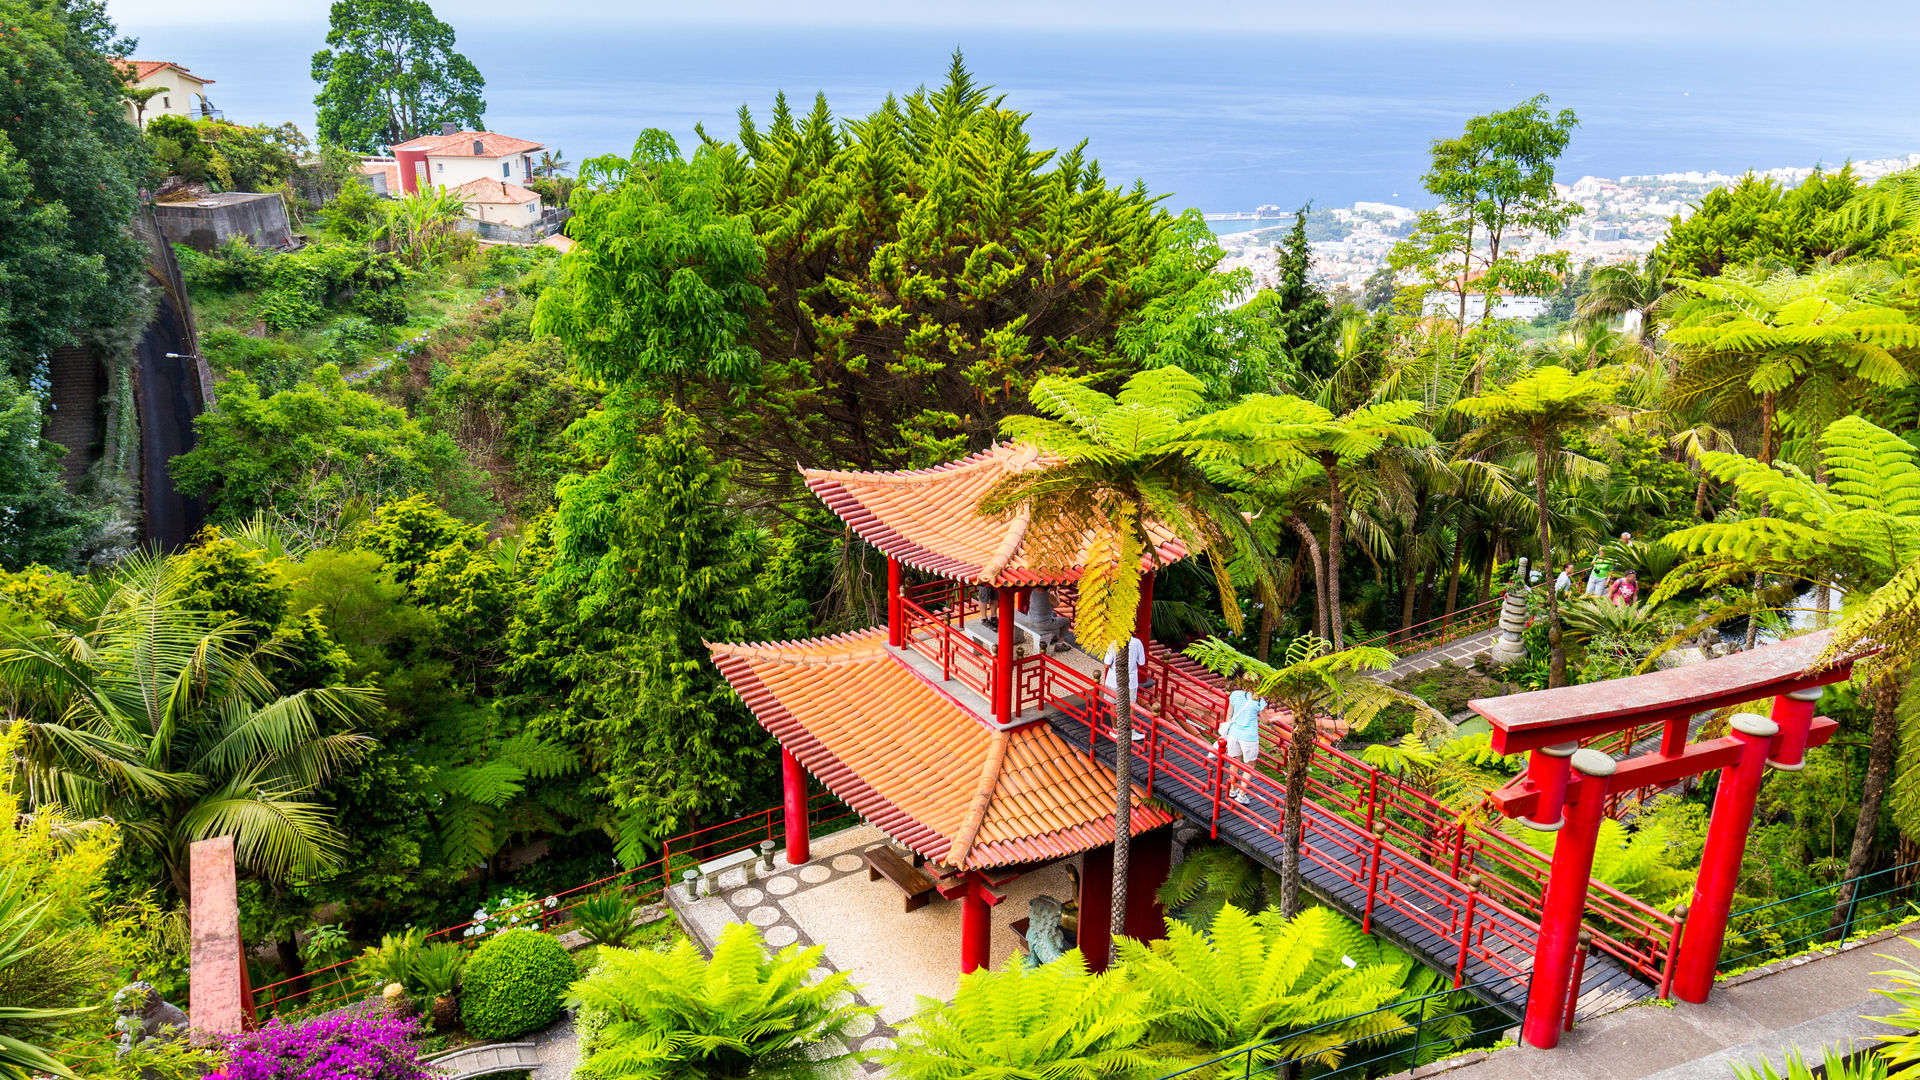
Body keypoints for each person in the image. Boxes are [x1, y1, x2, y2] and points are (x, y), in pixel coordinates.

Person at [1220, 677, 1267, 804]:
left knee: (1235, 762)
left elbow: (1229, 713)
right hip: (1249, 737)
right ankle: (1242, 794)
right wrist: (1274, 720)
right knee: (1250, 765)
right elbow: (1265, 721)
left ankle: (1233, 789)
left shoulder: (1235, 695)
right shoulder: (1258, 700)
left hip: (1234, 733)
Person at [1103, 634, 1149, 741]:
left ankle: (1115, 730)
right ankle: (1131, 732)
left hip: (1113, 680)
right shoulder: (1137, 643)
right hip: (1130, 680)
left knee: (1113, 704)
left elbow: (1106, 664)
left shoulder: (1114, 643)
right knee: (1131, 705)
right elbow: (1141, 662)